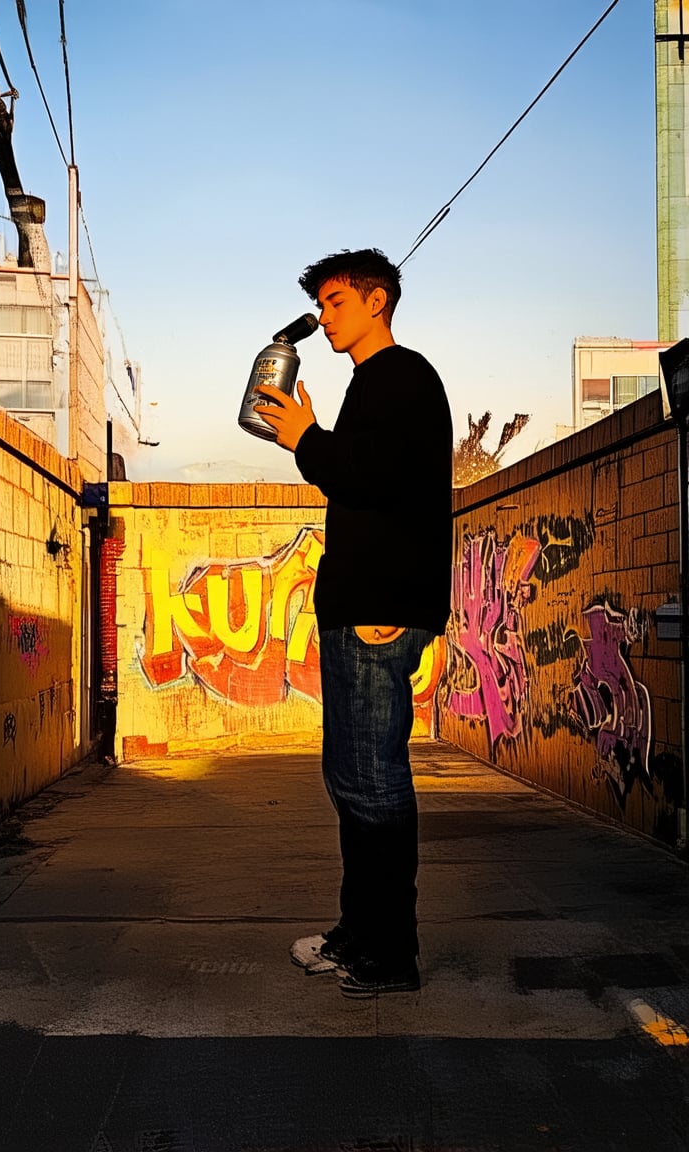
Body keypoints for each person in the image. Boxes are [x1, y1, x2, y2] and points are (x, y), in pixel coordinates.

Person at [253, 248, 452, 997]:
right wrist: (309, 439)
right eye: (323, 304)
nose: (326, 317)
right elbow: (356, 474)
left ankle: (388, 956)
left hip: (379, 608)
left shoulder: (403, 376)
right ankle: (357, 933)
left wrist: (304, 436)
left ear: (378, 300)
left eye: (337, 302)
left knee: (372, 783)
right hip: (360, 605)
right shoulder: (374, 384)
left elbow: (375, 477)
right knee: (350, 779)